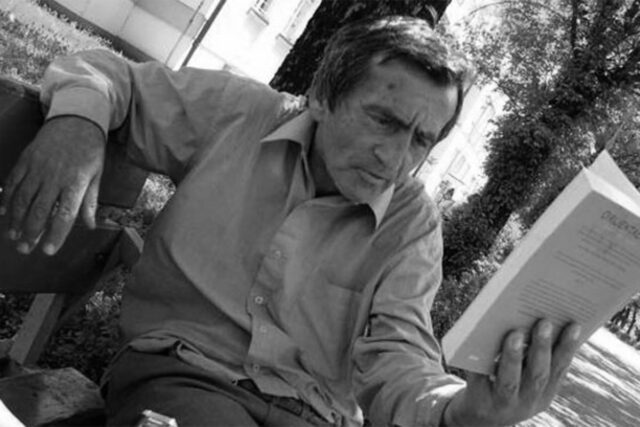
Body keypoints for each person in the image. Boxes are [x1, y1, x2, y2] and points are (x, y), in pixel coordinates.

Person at [0, 16, 581, 427]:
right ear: (323, 96)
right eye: (383, 120)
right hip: (187, 375)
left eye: (421, 140)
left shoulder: (411, 226)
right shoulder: (239, 116)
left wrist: (460, 410)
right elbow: (111, 73)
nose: (395, 157)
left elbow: (399, 351)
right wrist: (78, 124)